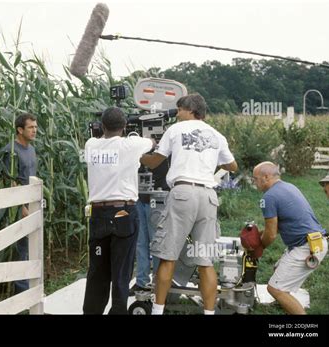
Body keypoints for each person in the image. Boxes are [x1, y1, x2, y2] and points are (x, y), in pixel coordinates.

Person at [140, 94, 237, 315]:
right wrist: (207, 166)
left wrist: (137, 155)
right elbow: (232, 165)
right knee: (205, 261)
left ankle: (157, 311)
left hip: (183, 193)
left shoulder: (175, 130)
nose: (177, 114)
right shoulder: (217, 135)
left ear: (189, 110)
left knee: (168, 256)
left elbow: (156, 160)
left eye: (179, 110)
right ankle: (209, 312)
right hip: (208, 196)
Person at [83, 107, 154, 314]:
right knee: (121, 273)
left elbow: (99, 136)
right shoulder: (131, 145)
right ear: (124, 127)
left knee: (97, 271)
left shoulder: (90, 145)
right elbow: (152, 143)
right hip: (123, 213)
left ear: (102, 126)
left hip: (98, 215)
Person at [252, 161, 329, 314]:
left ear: (265, 177)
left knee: (275, 288)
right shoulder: (289, 187)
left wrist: (257, 249)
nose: (254, 182)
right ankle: (286, 305)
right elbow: (279, 225)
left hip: (307, 247)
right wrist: (258, 233)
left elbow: (271, 234)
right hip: (316, 241)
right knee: (278, 270)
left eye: (255, 179)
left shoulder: (269, 197)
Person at [0, 112, 38, 294]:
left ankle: (30, 286)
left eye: (35, 127)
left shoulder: (31, 149)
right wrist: (21, 207)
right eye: (30, 127)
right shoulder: (11, 151)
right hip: (18, 208)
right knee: (21, 249)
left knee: (32, 246)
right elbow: (10, 181)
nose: (34, 130)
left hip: (33, 204)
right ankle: (22, 292)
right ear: (19, 129)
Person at [129, 159, 169, 295]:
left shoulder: (164, 146)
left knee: (157, 242)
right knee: (140, 242)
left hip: (157, 197)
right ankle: (141, 282)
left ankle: (159, 282)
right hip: (138, 198)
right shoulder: (138, 144)